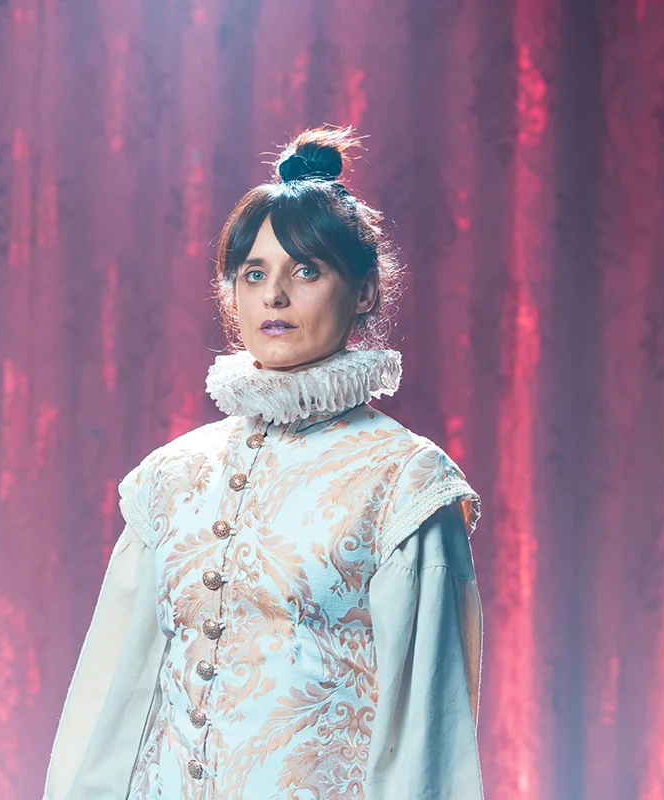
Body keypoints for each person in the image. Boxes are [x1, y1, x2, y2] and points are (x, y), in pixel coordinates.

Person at [44, 125, 486, 800]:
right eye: (255, 274)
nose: (274, 296)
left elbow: (429, 736)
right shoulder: (171, 478)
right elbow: (108, 705)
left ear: (365, 291)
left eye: (306, 271)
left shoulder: (405, 482)